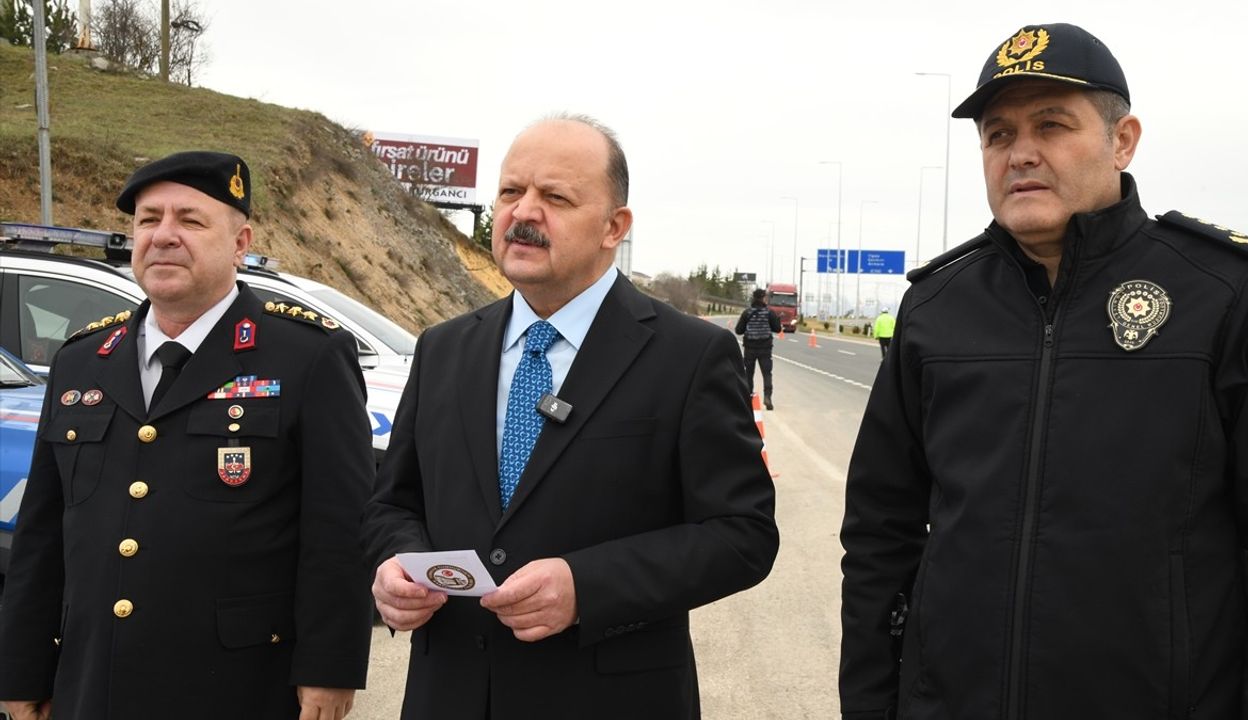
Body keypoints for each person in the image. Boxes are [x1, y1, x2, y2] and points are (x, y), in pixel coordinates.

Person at [839, 23, 1248, 720]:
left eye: (1051, 125)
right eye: (998, 135)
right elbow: (878, 534)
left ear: (1123, 140)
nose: (1021, 154)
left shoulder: (1225, 292)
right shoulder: (936, 306)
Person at [363, 115, 779, 719]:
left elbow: (743, 534)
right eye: (511, 192)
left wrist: (588, 587)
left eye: (555, 197)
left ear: (615, 227)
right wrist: (395, 565)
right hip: (448, 694)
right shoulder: (443, 348)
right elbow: (392, 504)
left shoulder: (688, 356)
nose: (524, 213)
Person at [0, 151, 374, 720]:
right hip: (93, 680)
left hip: (239, 684)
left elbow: (338, 530)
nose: (164, 236)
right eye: (149, 220)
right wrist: (22, 670)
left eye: (190, 220)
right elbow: (42, 537)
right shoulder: (82, 361)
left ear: (240, 243)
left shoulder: (307, 357)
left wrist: (330, 667)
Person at [735, 287, 782, 409]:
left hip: (750, 348)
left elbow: (738, 330)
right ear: (763, 298)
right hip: (765, 348)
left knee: (748, 374)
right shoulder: (769, 313)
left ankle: (748, 399)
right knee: (767, 373)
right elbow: (777, 329)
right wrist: (776, 320)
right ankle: (767, 397)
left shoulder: (747, 312)